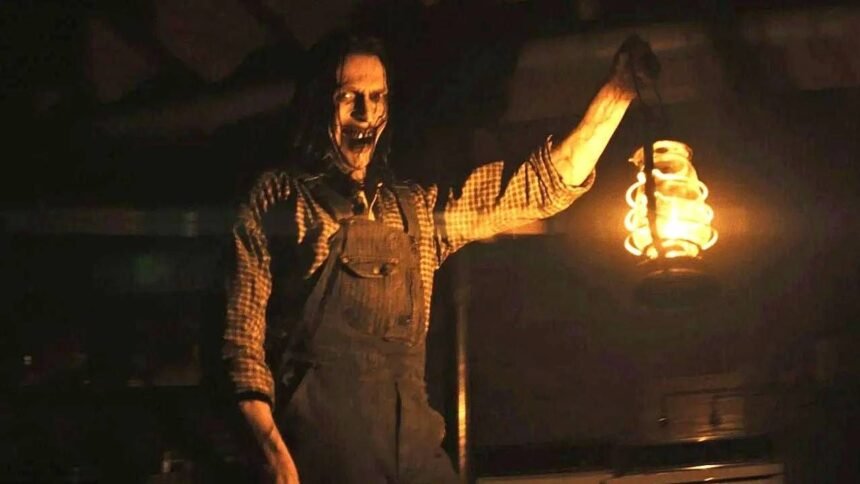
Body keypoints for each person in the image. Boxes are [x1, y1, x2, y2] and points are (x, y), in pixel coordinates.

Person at [222, 30, 658, 483]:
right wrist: (275, 458)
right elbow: (239, 344)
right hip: (318, 464)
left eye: (377, 97)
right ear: (318, 105)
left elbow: (538, 186)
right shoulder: (279, 198)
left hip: (417, 463)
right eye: (348, 97)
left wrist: (618, 93)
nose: (365, 113)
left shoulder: (415, 213)